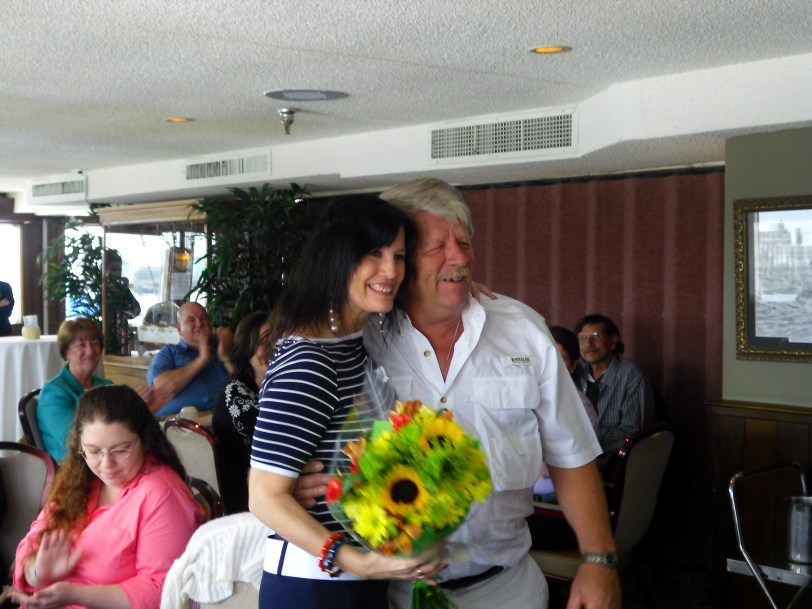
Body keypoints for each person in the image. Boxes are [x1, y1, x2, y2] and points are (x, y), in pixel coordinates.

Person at [361, 178, 620, 609]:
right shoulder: (363, 338)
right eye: (437, 247)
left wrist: (598, 559)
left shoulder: (522, 330)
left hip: (506, 590)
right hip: (390, 594)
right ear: (400, 259)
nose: (459, 257)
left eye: (463, 241)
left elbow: (570, 455)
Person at [248, 195, 446, 609]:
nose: (390, 270)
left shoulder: (352, 341)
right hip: (315, 587)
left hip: (353, 581)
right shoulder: (311, 360)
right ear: (338, 257)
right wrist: (356, 559)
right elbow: (264, 496)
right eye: (373, 253)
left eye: (399, 256)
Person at [11, 384, 204, 609]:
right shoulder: (79, 479)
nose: (106, 465)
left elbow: (162, 590)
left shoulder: (161, 494)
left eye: (121, 450)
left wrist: (76, 594)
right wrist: (37, 572)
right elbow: (32, 541)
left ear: (145, 440)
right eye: (93, 451)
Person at [528, 325, 599, 551]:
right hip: (527, 502)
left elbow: (548, 468)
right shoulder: (529, 399)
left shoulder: (577, 406)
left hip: (553, 510)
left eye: (560, 360)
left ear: (572, 367)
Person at [212, 310, 269, 514]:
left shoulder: (269, 391)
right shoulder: (237, 395)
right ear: (247, 349)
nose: (274, 348)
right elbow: (270, 457)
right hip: (249, 502)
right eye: (264, 342)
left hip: (268, 491)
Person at [574, 313, 655, 454]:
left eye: (596, 336)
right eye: (582, 338)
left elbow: (632, 431)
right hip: (578, 453)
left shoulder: (630, 375)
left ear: (612, 342)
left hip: (615, 457)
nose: (589, 344)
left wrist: (586, 439)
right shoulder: (576, 371)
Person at [38, 318, 113, 462]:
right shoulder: (53, 393)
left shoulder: (106, 386)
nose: (90, 351)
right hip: (73, 471)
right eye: (81, 345)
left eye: (95, 343)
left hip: (107, 462)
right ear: (66, 352)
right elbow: (75, 442)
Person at [147, 302, 233, 418]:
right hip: (179, 423)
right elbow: (161, 388)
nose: (199, 324)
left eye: (203, 318)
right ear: (179, 329)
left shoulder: (222, 349)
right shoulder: (169, 353)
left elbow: (248, 387)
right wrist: (201, 360)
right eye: (191, 320)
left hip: (223, 420)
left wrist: (226, 357)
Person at [104, 249, 141, 355]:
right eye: (113, 269)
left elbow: (135, 311)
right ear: (104, 270)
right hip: (104, 341)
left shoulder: (121, 291)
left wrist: (125, 290)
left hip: (121, 343)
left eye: (119, 270)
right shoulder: (100, 292)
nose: (116, 273)